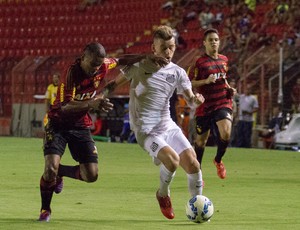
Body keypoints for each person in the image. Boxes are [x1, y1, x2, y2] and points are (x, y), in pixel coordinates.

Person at [38, 42, 166, 222]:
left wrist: (147, 57)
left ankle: (61, 173)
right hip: (58, 123)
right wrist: (91, 103)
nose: (95, 69)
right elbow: (65, 107)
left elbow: (122, 60)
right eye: (92, 64)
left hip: (80, 124)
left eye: (98, 65)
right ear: (83, 58)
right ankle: (45, 209)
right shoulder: (71, 74)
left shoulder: (103, 64)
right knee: (49, 168)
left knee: (91, 175)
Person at [104, 25, 205, 220]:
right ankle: (162, 195)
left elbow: (191, 99)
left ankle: (197, 206)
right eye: (164, 47)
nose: (168, 52)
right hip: (145, 130)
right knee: (172, 160)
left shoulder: (178, 72)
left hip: (167, 125)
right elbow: (113, 85)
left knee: (193, 164)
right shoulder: (139, 66)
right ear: (153, 48)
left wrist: (196, 100)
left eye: (172, 47)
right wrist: (100, 97)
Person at [188, 28, 236, 179]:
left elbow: (224, 78)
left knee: (226, 132)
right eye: (210, 40)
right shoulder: (199, 62)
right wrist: (206, 81)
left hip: (222, 102)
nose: (214, 42)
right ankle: (198, 173)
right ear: (205, 43)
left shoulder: (224, 59)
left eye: (216, 39)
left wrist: (229, 88)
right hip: (205, 106)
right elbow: (189, 82)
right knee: (201, 142)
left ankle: (218, 160)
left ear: (219, 42)